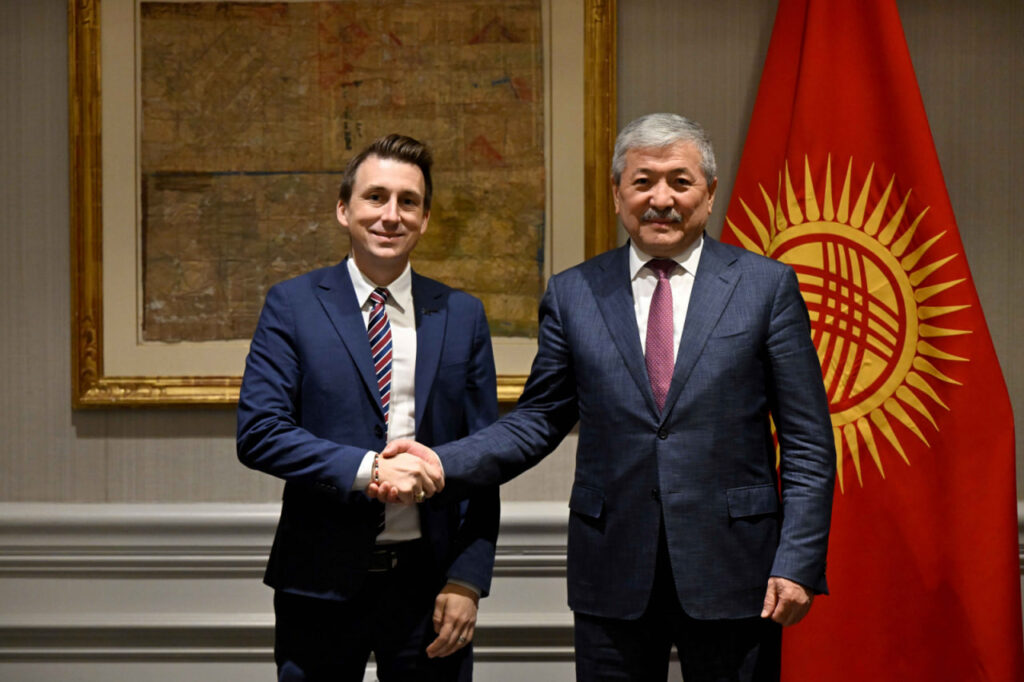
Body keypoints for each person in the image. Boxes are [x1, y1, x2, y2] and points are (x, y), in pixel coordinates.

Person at [376, 113, 835, 681]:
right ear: (618, 193)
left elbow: (808, 442)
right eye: (643, 182)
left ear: (710, 192)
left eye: (680, 181)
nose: (661, 199)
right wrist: (441, 462)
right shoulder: (574, 293)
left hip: (736, 569)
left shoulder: (765, 287)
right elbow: (538, 420)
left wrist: (797, 560)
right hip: (613, 569)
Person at [237, 133, 500, 681]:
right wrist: (370, 470)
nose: (391, 215)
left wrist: (468, 579)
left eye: (408, 201)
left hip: (430, 586)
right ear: (344, 209)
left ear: (425, 219)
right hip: (318, 583)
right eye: (375, 197)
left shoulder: (462, 314)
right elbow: (260, 432)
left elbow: (483, 456)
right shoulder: (292, 305)